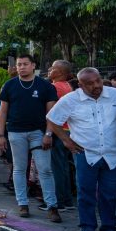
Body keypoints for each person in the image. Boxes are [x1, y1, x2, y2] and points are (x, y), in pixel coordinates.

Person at [47, 68, 116, 231]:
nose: (96, 85)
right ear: (80, 85)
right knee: (86, 193)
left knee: (109, 195)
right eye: (90, 83)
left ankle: (109, 230)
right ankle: (87, 229)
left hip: (113, 154)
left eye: (98, 81)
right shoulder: (70, 99)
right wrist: (66, 140)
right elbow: (52, 119)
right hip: (85, 153)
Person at [0, 54, 60, 221]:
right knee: (19, 168)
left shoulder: (45, 86)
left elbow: (52, 113)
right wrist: (0, 135)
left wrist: (48, 134)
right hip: (15, 132)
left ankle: (52, 206)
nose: (21, 67)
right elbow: (3, 111)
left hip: (38, 132)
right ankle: (22, 204)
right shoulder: (9, 85)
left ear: (33, 66)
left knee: (45, 169)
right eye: (19, 64)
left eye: (25, 64)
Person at [47, 59, 76, 212]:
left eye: (52, 68)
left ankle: (59, 201)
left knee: (56, 167)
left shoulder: (54, 87)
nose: (49, 70)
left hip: (58, 131)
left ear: (60, 72)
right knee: (63, 166)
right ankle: (67, 199)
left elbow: (49, 111)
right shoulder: (67, 86)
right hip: (68, 130)